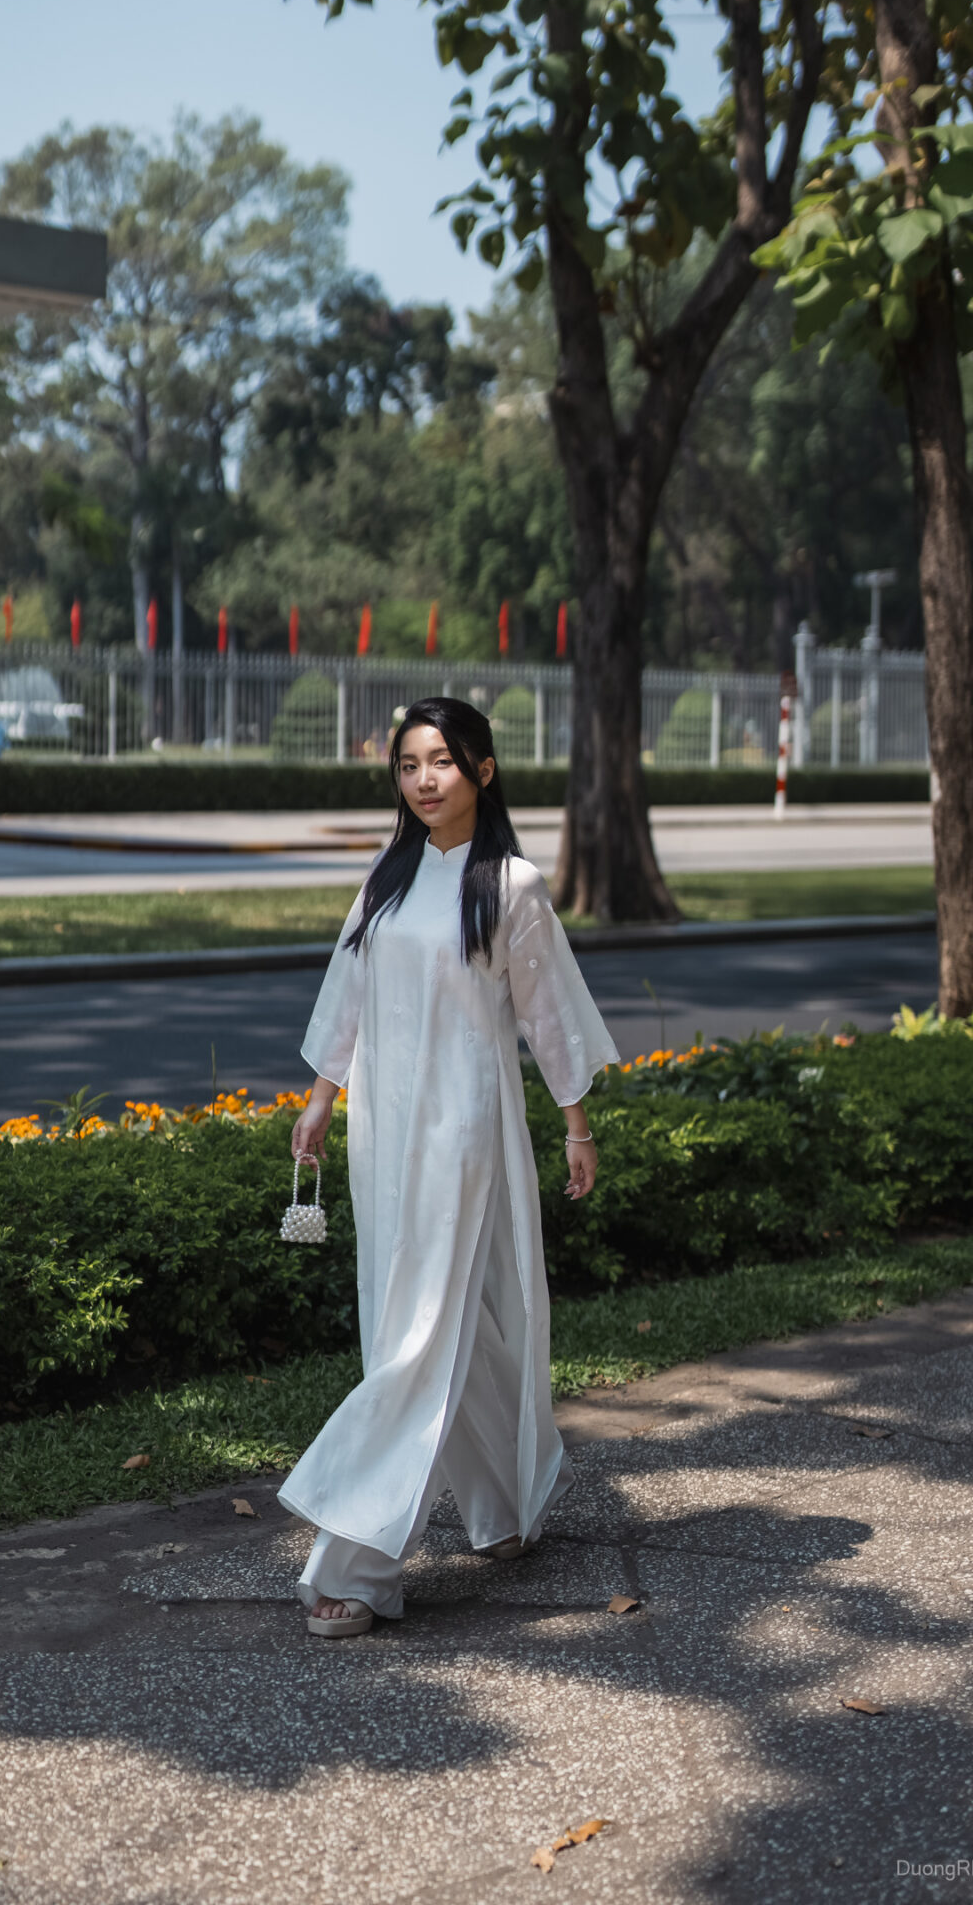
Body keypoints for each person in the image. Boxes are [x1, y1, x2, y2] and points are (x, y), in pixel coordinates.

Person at [281, 696, 619, 1638]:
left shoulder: (510, 885)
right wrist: (320, 1100)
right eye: (408, 765)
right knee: (421, 1317)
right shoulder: (386, 878)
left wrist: (577, 1128)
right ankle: (507, 1502)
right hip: (382, 1133)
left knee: (417, 1334)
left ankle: (357, 1561)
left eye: (441, 762)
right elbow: (347, 994)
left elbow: (550, 1014)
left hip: (464, 1130)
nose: (424, 780)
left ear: (482, 770)